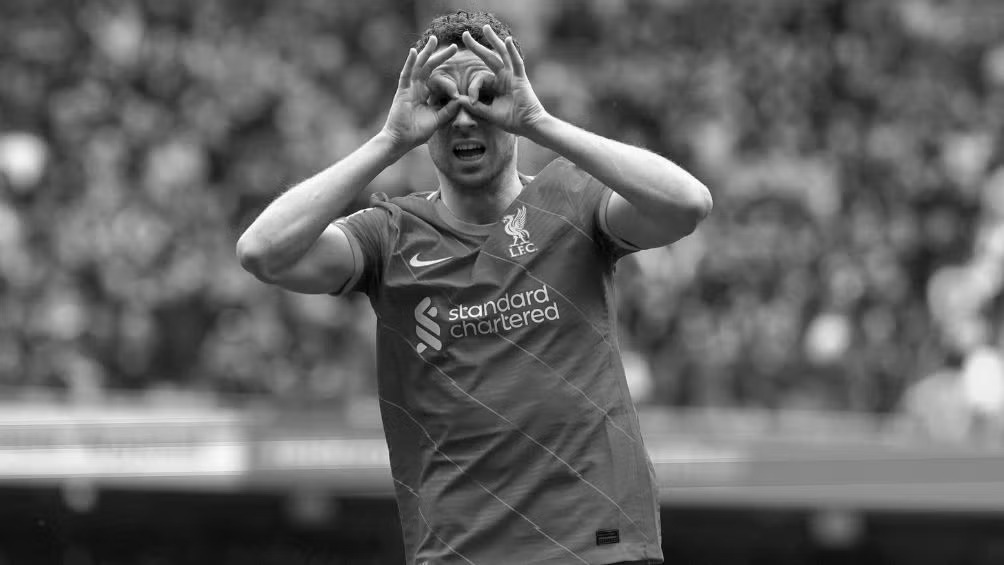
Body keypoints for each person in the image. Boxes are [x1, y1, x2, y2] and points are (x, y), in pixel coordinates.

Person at [237, 10, 711, 565]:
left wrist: (538, 121)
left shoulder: (574, 200)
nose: (464, 118)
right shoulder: (389, 234)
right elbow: (262, 252)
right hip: (460, 551)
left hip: (598, 544)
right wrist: (390, 140)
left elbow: (688, 204)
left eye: (485, 94)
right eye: (442, 100)